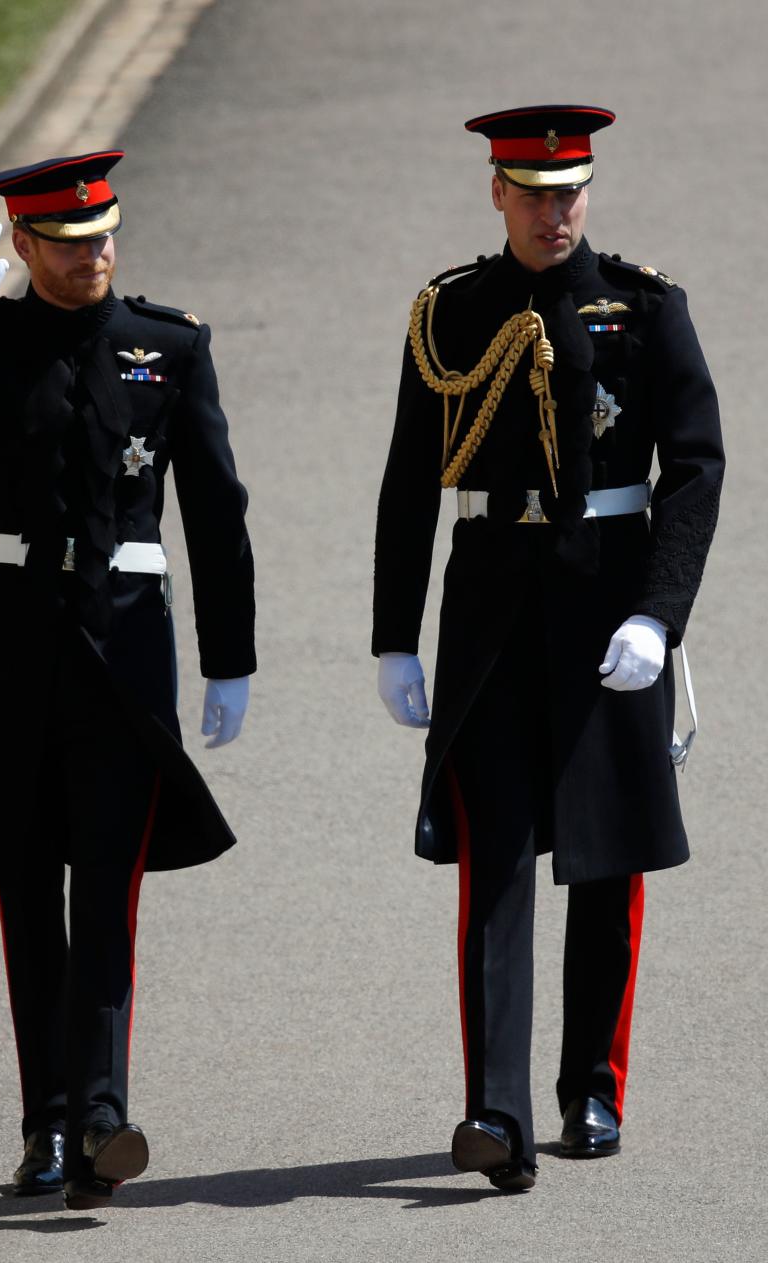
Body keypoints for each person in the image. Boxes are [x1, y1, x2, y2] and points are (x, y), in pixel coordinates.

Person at [0, 151, 256, 1210]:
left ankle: (102, 1118)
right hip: (2, 643)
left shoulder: (168, 346)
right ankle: (45, 1127)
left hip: (123, 646)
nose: (94, 257)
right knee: (26, 892)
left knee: (108, 892)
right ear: (25, 247)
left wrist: (231, 658)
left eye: (105, 238)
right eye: (70, 245)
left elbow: (216, 510)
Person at [372, 106, 723, 1192]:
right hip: (488, 617)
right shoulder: (453, 312)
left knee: (606, 863)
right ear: (496, 193)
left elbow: (696, 469)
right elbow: (406, 481)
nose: (552, 210)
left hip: (609, 611)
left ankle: (593, 1089)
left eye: (568, 190)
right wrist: (393, 636)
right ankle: (496, 1110)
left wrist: (658, 616)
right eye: (531, 191)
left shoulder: (646, 309)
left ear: (589, 192)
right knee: (495, 870)